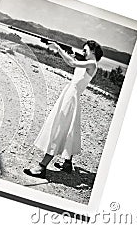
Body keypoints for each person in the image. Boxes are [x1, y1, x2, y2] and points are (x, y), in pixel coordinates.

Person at [24, 40, 103, 178]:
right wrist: (69, 52)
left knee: (59, 129)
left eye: (85, 50)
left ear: (93, 52)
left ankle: (42, 167)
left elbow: (72, 63)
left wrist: (58, 48)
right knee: (68, 130)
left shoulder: (92, 63)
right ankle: (67, 163)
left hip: (71, 98)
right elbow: (74, 61)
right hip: (70, 96)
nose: (83, 52)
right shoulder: (86, 62)